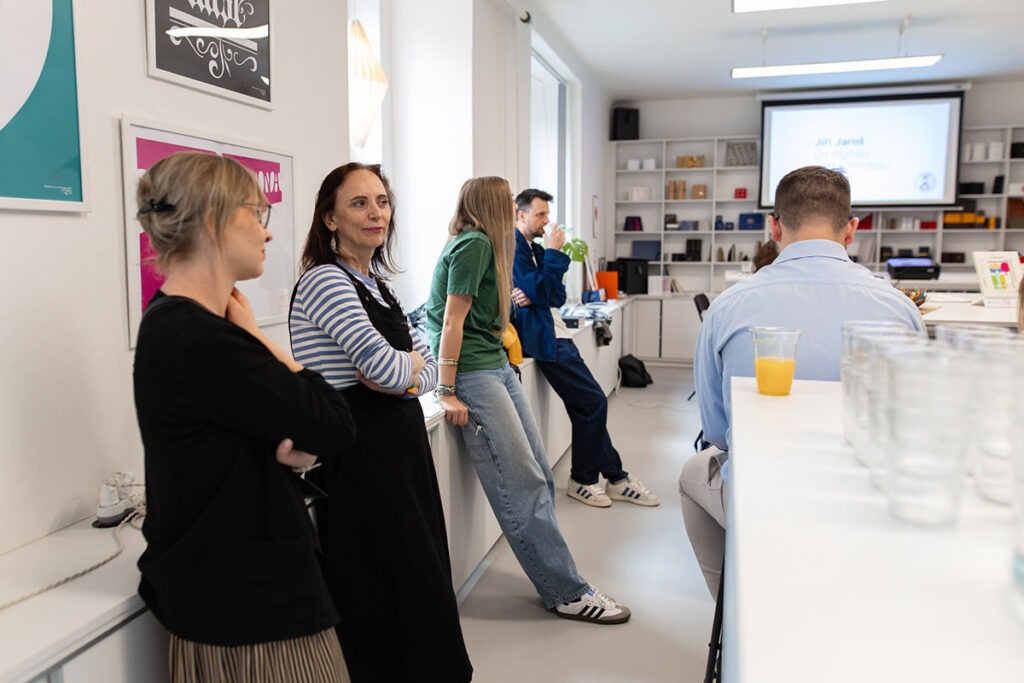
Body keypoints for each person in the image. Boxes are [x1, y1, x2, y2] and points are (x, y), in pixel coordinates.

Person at [132, 152, 357, 682]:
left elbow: (276, 434)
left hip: (230, 595)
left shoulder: (175, 327)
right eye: (256, 214)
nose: (267, 231)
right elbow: (335, 424)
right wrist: (257, 338)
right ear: (213, 219)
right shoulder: (204, 340)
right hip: (250, 609)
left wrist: (295, 447)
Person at [680, 166, 926, 598]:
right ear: (851, 230)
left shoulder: (728, 307)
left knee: (692, 473)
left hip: (764, 499)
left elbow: (717, 433)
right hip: (868, 503)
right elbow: (912, 423)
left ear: (774, 227)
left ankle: (733, 605)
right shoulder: (899, 309)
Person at [289, 163, 472, 682]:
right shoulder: (326, 280)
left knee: (421, 578)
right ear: (330, 218)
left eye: (382, 201)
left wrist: (406, 373)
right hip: (360, 459)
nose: (376, 213)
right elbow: (388, 368)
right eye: (359, 203)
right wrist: (405, 370)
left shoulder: (375, 283)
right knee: (385, 587)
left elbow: (424, 369)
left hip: (399, 451)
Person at [426, 176, 631, 624]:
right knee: (524, 482)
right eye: (508, 202)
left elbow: (527, 300)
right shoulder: (474, 244)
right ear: (493, 205)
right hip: (474, 372)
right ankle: (566, 590)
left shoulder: (488, 246)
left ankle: (557, 575)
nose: (517, 211)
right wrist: (445, 389)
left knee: (539, 470)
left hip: (495, 363)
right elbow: (450, 322)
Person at [511, 188, 659, 508]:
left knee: (587, 406)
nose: (547, 221)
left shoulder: (533, 249)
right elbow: (543, 290)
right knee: (593, 402)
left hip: (557, 333)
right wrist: (551, 260)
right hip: (546, 339)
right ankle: (583, 479)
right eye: (540, 214)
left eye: (547, 214)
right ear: (520, 215)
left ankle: (616, 478)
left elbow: (555, 295)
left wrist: (538, 290)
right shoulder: (515, 247)